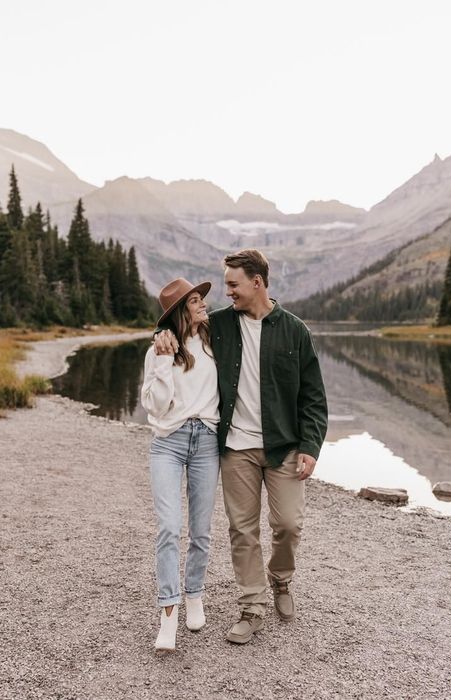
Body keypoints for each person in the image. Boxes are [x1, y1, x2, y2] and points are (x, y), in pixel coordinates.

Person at [155, 249, 328, 645]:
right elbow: (178, 330)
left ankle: (280, 580)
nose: (226, 292)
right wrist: (161, 335)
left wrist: (310, 446)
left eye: (233, 284)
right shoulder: (217, 325)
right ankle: (252, 605)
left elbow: (314, 397)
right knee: (242, 530)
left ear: (257, 282)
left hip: (283, 447)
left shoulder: (295, 330)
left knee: (287, 525)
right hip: (235, 448)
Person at [141, 277, 220, 651]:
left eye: (201, 298)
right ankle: (168, 612)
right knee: (169, 528)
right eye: (195, 300)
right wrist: (162, 360)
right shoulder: (158, 350)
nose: (203, 303)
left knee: (201, 531)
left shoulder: (214, 339)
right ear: (179, 312)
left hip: (206, 439)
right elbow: (155, 407)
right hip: (168, 443)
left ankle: (194, 595)